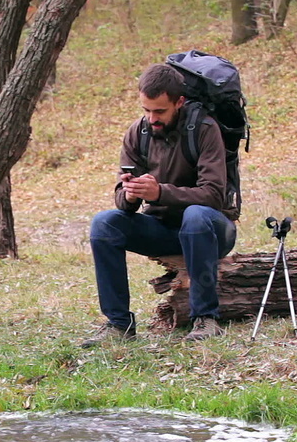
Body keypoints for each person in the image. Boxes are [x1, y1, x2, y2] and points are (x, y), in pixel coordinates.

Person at [81, 63, 237, 348]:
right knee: (104, 223)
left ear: (179, 102)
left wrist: (159, 192)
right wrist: (130, 195)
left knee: (196, 215)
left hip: (211, 229)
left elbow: (214, 195)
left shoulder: (204, 129)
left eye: (160, 111)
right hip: (163, 229)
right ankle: (118, 324)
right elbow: (121, 198)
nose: (152, 118)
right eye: (146, 110)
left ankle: (206, 318)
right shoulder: (137, 133)